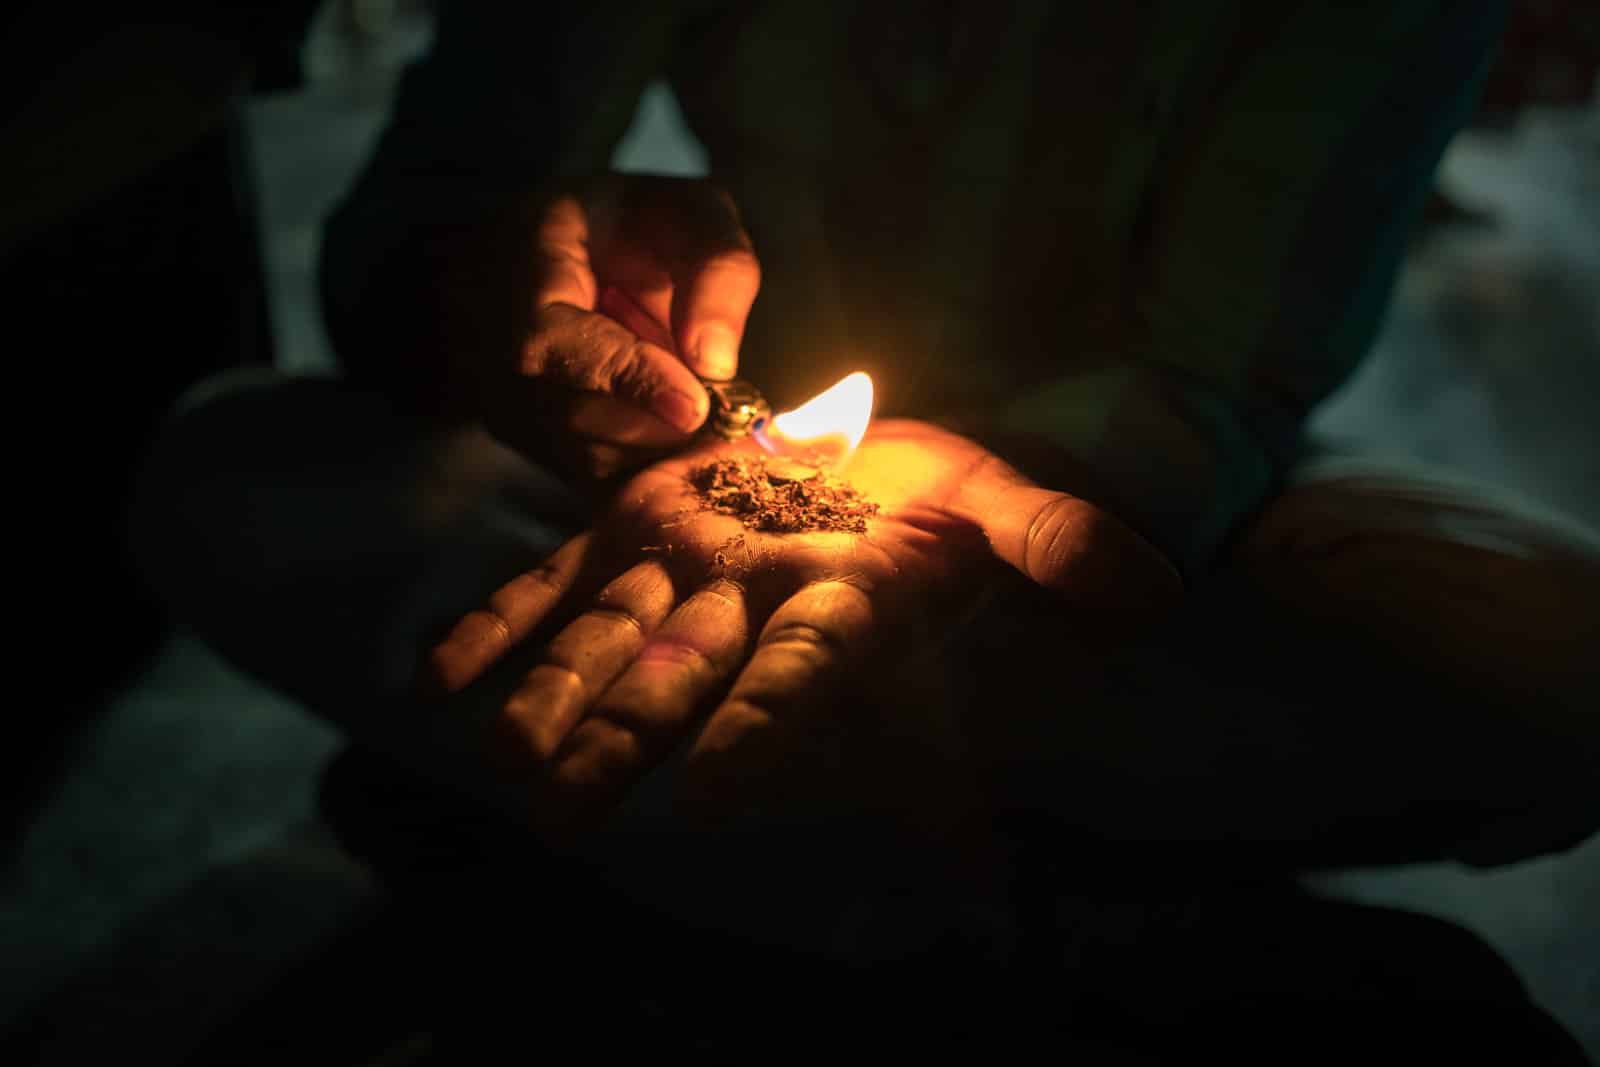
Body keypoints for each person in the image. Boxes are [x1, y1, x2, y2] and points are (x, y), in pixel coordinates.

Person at [132, 2, 1597, 1052]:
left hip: (1128, 510)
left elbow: (1223, 378)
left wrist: (1018, 492)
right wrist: (504, 291)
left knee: (1552, 659)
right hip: (668, 509)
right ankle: (1058, 941)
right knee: (227, 472)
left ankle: (637, 862)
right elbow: (418, 221)